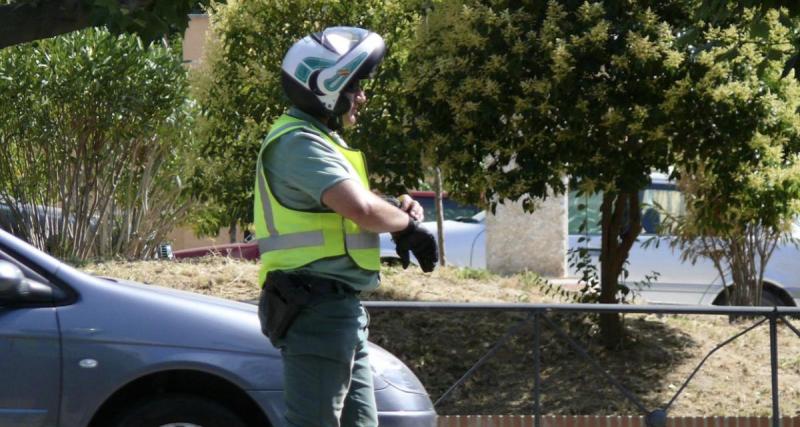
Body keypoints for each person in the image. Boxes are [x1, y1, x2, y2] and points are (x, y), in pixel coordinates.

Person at [253, 27, 438, 427]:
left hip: (335, 308)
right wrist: (403, 224)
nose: (362, 96)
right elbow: (359, 208)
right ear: (325, 85)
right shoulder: (298, 142)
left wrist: (392, 206)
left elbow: (358, 202)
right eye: (355, 86)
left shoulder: (318, 138)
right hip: (315, 308)